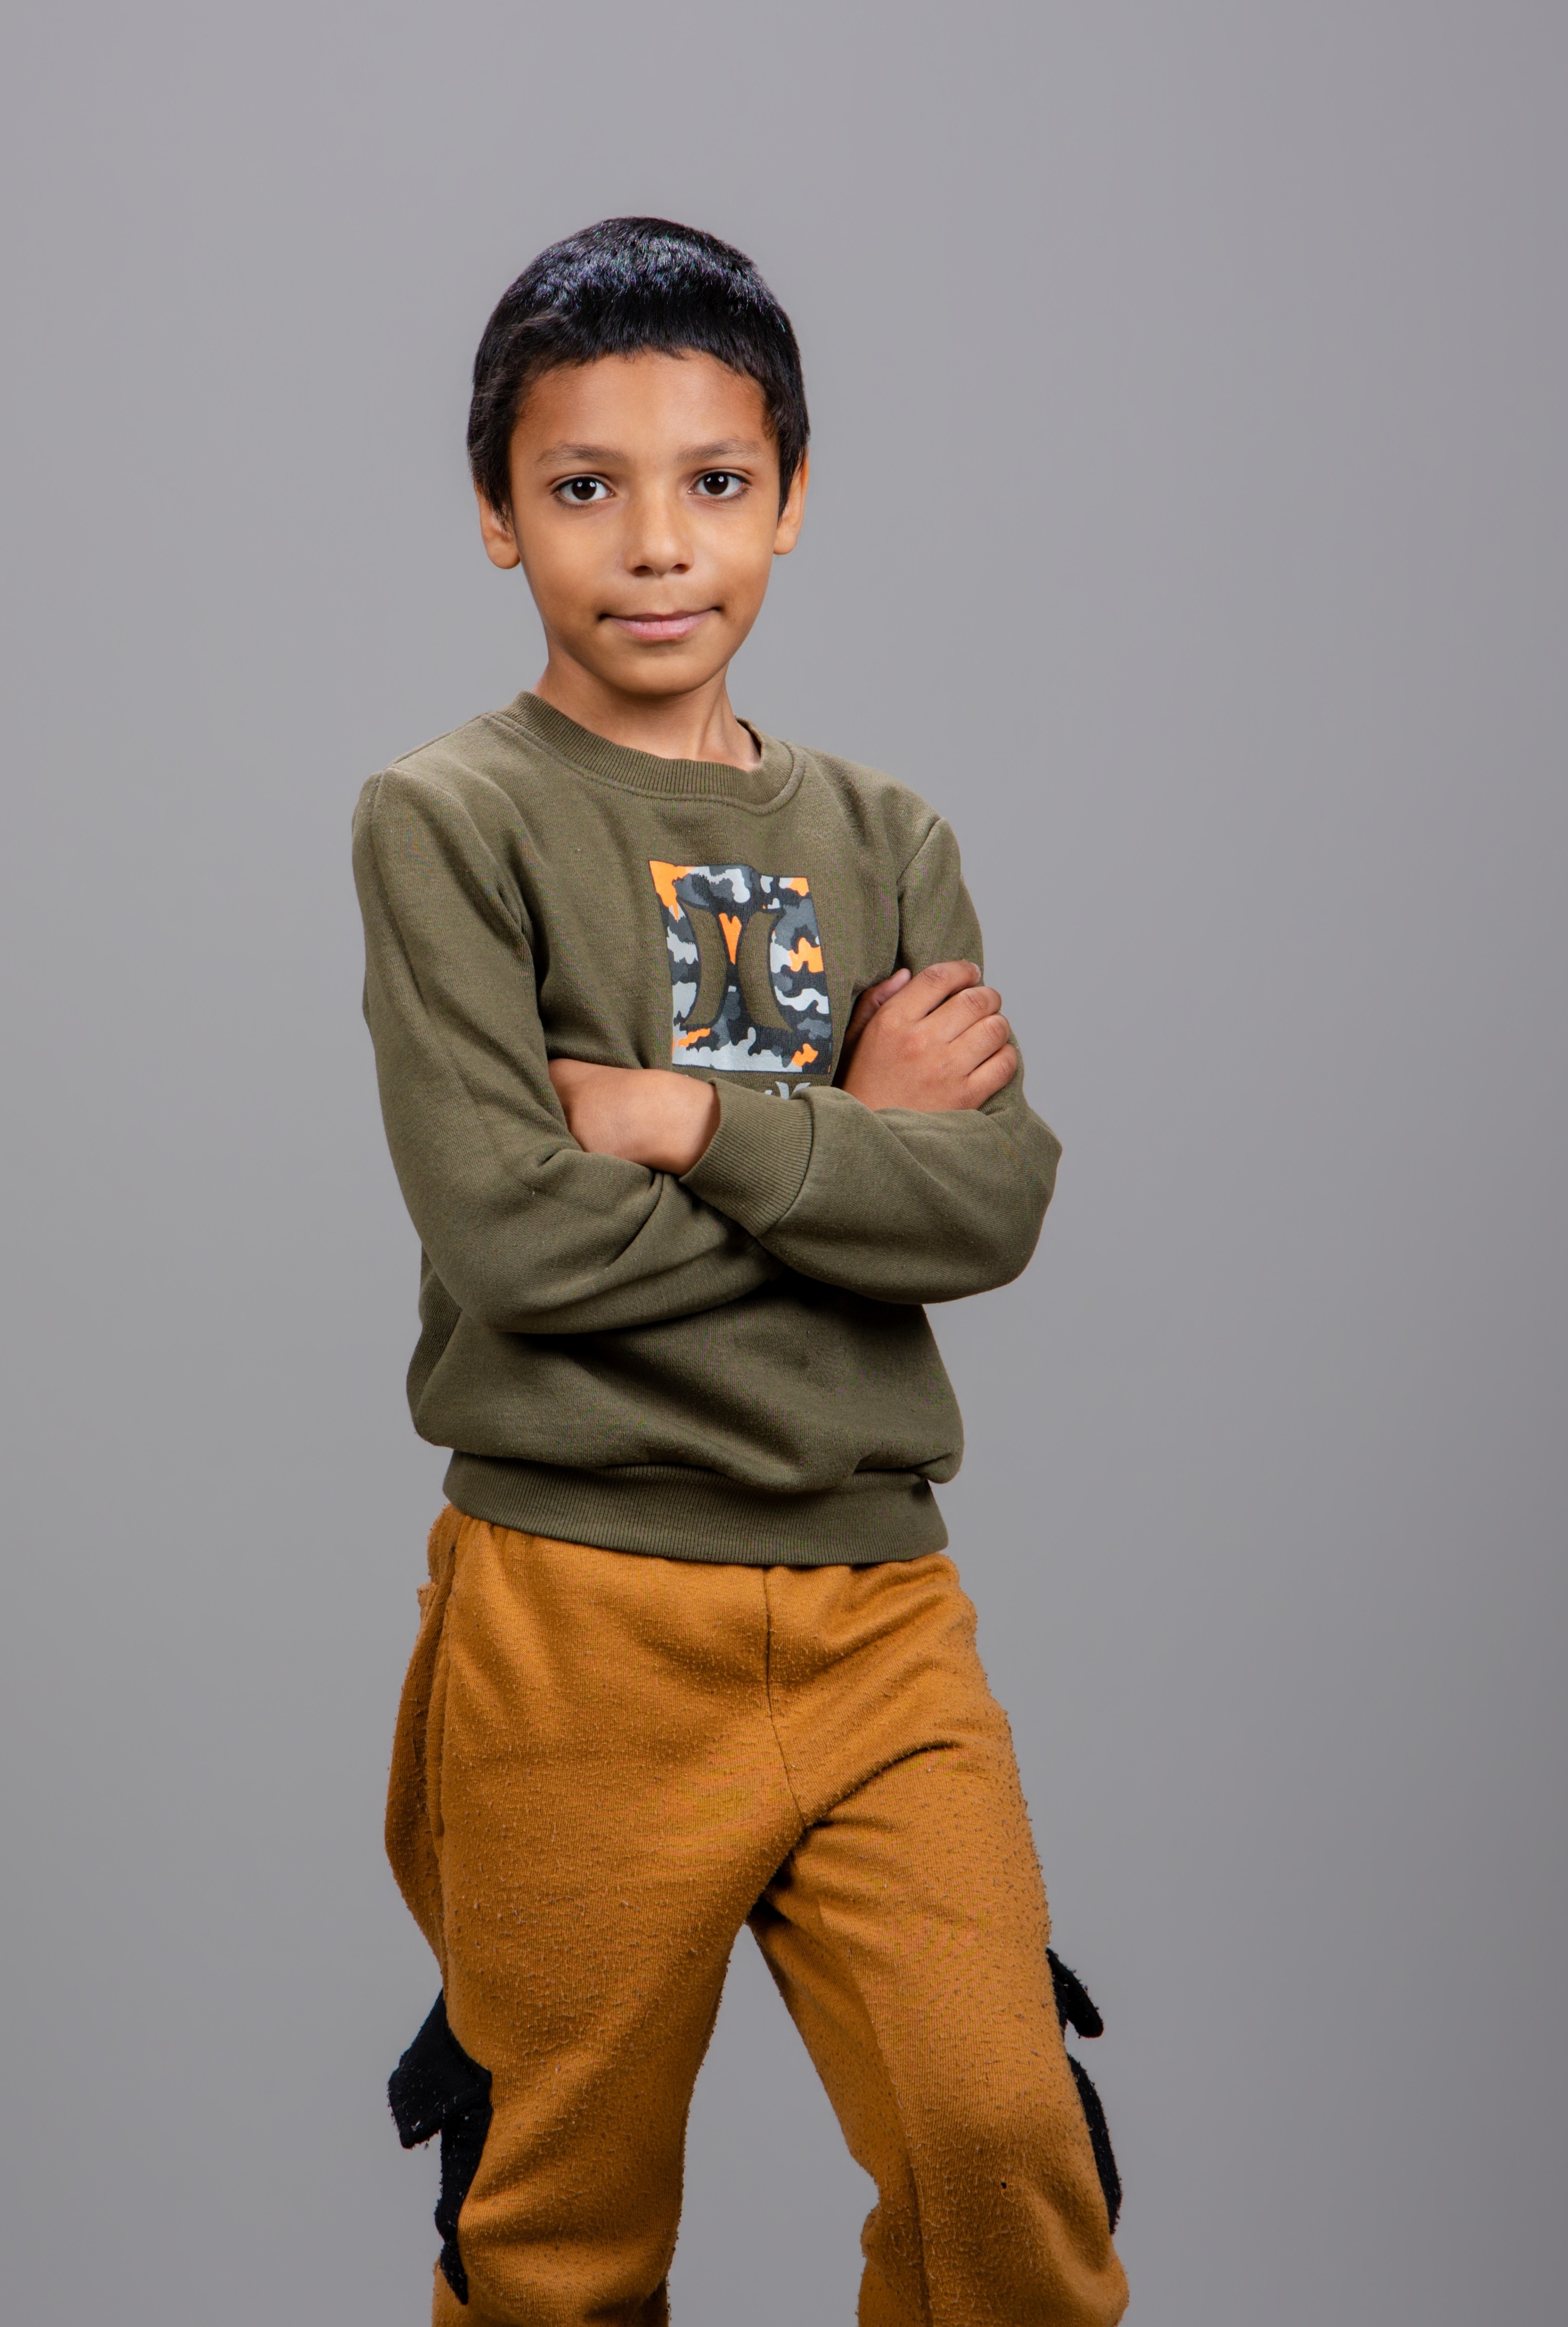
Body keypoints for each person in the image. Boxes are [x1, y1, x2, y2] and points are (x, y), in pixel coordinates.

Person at [354, 216, 1129, 2327]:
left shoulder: (886, 838)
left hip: (879, 1608)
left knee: (1000, 2146)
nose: (654, 541)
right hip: (577, 1621)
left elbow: (990, 1207)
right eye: (580, 484)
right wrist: (852, 1150)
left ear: (789, 497)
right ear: (497, 515)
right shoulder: (449, 819)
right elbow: (511, 1237)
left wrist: (686, 1121)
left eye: (712, 479)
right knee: (557, 2225)